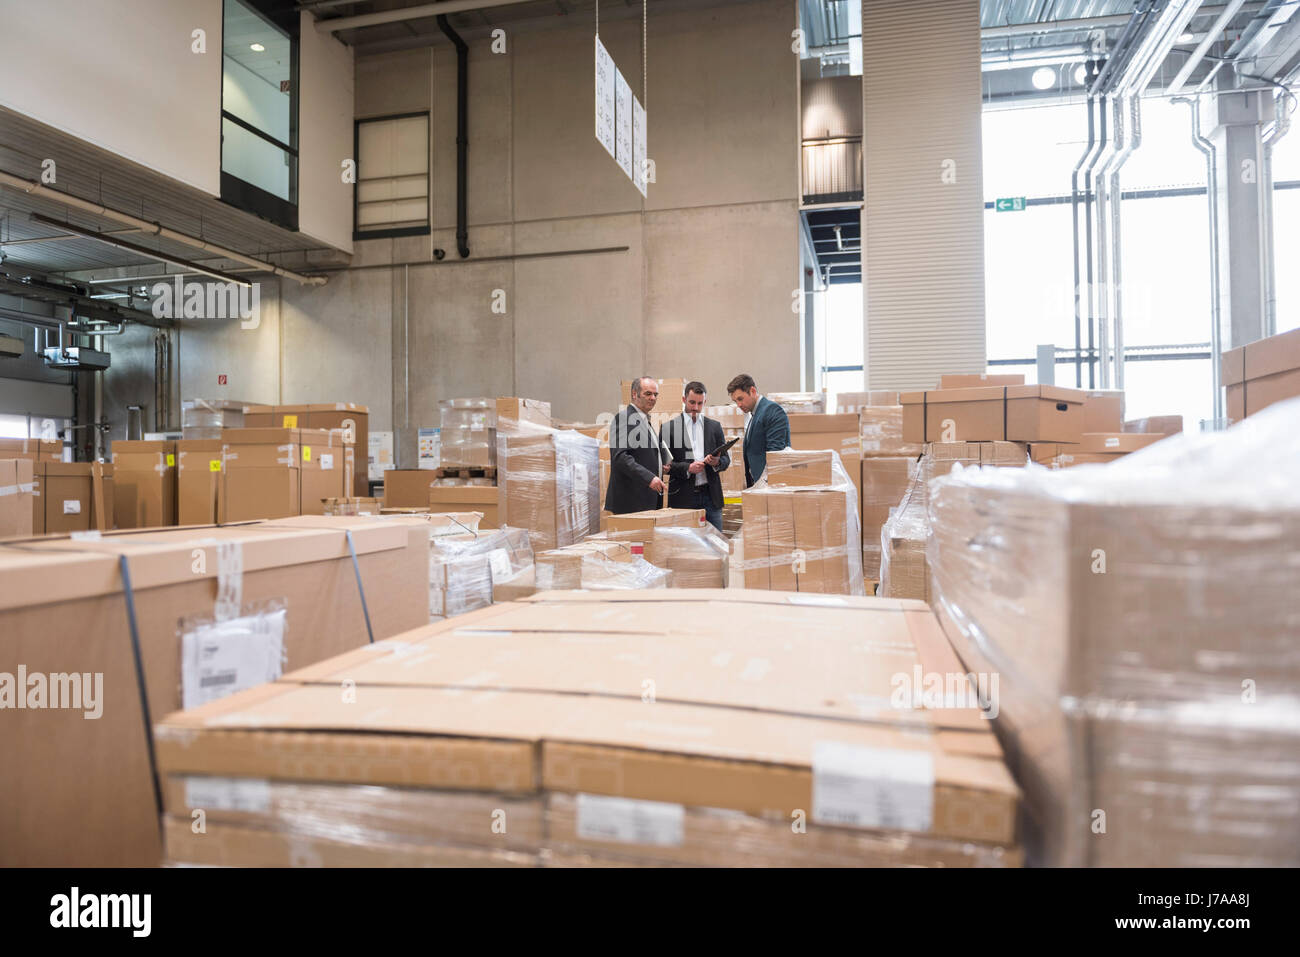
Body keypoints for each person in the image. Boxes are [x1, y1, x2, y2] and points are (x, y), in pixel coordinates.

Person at [660, 381, 730, 532]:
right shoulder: (668, 428)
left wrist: (717, 462)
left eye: (700, 403)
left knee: (717, 544)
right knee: (684, 546)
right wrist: (688, 468)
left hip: (711, 496)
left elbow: (726, 460)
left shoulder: (714, 427)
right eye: (692, 402)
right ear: (684, 399)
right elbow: (664, 466)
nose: (695, 408)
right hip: (683, 497)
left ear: (705, 402)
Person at [605, 375, 672, 514]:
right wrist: (649, 478)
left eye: (655, 394)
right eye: (648, 393)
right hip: (631, 501)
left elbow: (643, 455)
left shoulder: (645, 420)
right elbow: (620, 457)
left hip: (647, 499)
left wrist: (660, 466)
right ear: (634, 394)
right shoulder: (624, 418)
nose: (653, 398)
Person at [727, 372, 790, 487]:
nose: (739, 405)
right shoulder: (754, 415)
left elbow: (776, 454)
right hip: (759, 487)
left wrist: (763, 486)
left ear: (753, 391)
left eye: (740, 399)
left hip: (771, 487)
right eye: (735, 401)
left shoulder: (772, 410)